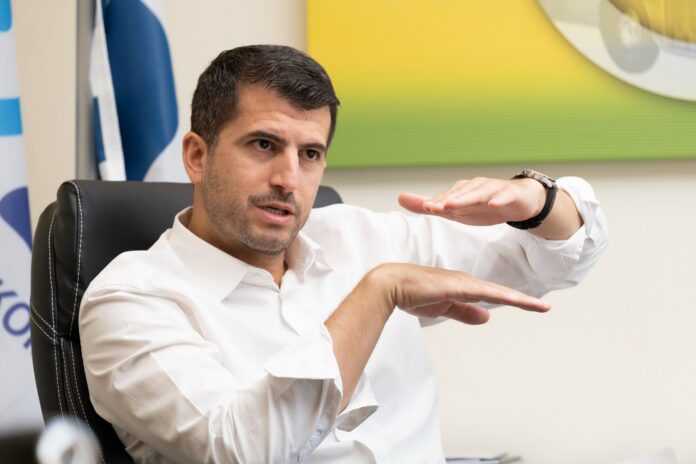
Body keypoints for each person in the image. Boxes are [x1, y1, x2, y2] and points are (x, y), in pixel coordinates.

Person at [79, 45, 608, 463]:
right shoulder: (129, 301)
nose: (289, 179)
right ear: (197, 156)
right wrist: (379, 293)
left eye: (310, 154)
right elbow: (239, 449)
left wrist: (537, 199)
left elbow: (556, 258)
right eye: (263, 145)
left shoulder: (356, 236)